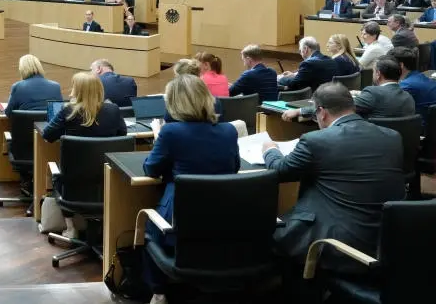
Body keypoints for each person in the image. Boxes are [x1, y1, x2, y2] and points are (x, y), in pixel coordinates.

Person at [262, 83, 403, 282]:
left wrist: (270, 149)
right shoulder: (392, 137)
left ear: (322, 113)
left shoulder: (316, 141)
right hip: (387, 239)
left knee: (270, 234)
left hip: (341, 244)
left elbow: (280, 171)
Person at [142, 74, 240, 301]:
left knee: (146, 230)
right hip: (225, 218)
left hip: (177, 222)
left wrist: (159, 138)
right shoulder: (228, 130)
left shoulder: (171, 132)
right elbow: (233, 168)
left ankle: (158, 293)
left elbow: (151, 170)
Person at [43, 71, 126, 142]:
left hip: (75, 160)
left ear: (78, 91)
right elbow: (122, 134)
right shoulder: (113, 109)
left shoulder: (69, 109)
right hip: (105, 160)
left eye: (73, 87)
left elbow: (47, 135)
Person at [392, 46, 436, 124]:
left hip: (421, 130)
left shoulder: (406, 86)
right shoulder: (422, 76)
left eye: (389, 63)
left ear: (400, 65)